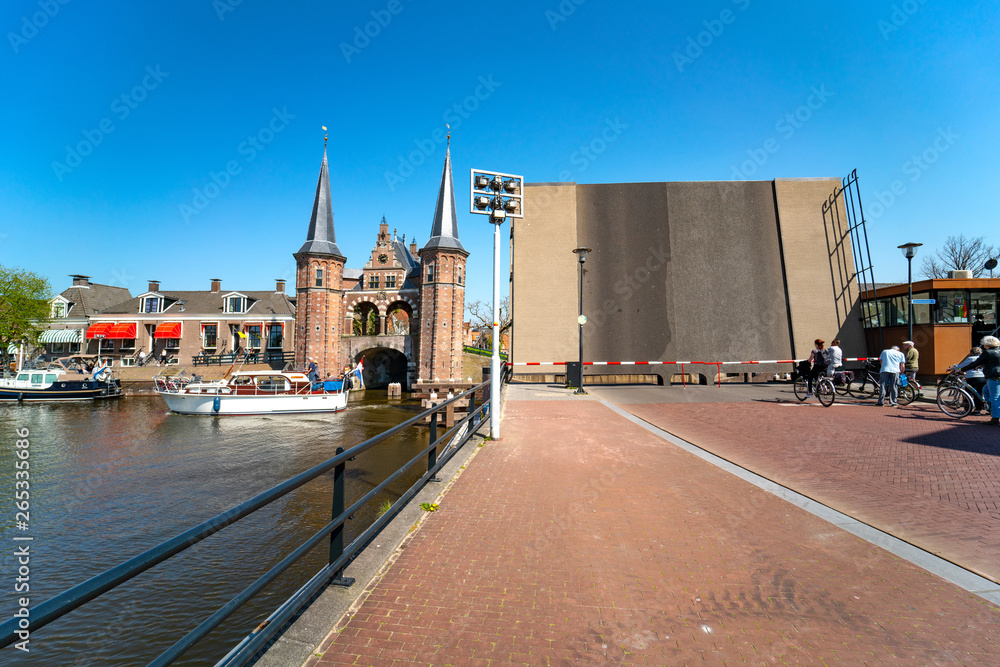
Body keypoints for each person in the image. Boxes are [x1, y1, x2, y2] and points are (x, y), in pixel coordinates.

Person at [963, 336, 1000, 425]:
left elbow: (975, 362)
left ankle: (995, 418)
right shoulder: (998, 351)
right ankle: (992, 408)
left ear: (987, 344)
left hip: (994, 376)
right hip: (997, 375)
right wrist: (981, 366)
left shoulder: (987, 352)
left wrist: (961, 369)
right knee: (985, 391)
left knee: (994, 398)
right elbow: (994, 362)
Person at [951, 347, 987, 413]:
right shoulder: (982, 358)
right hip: (983, 377)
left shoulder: (970, 358)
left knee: (968, 394)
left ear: (971, 353)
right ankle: (978, 409)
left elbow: (960, 367)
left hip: (973, 377)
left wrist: (954, 368)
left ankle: (967, 410)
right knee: (979, 393)